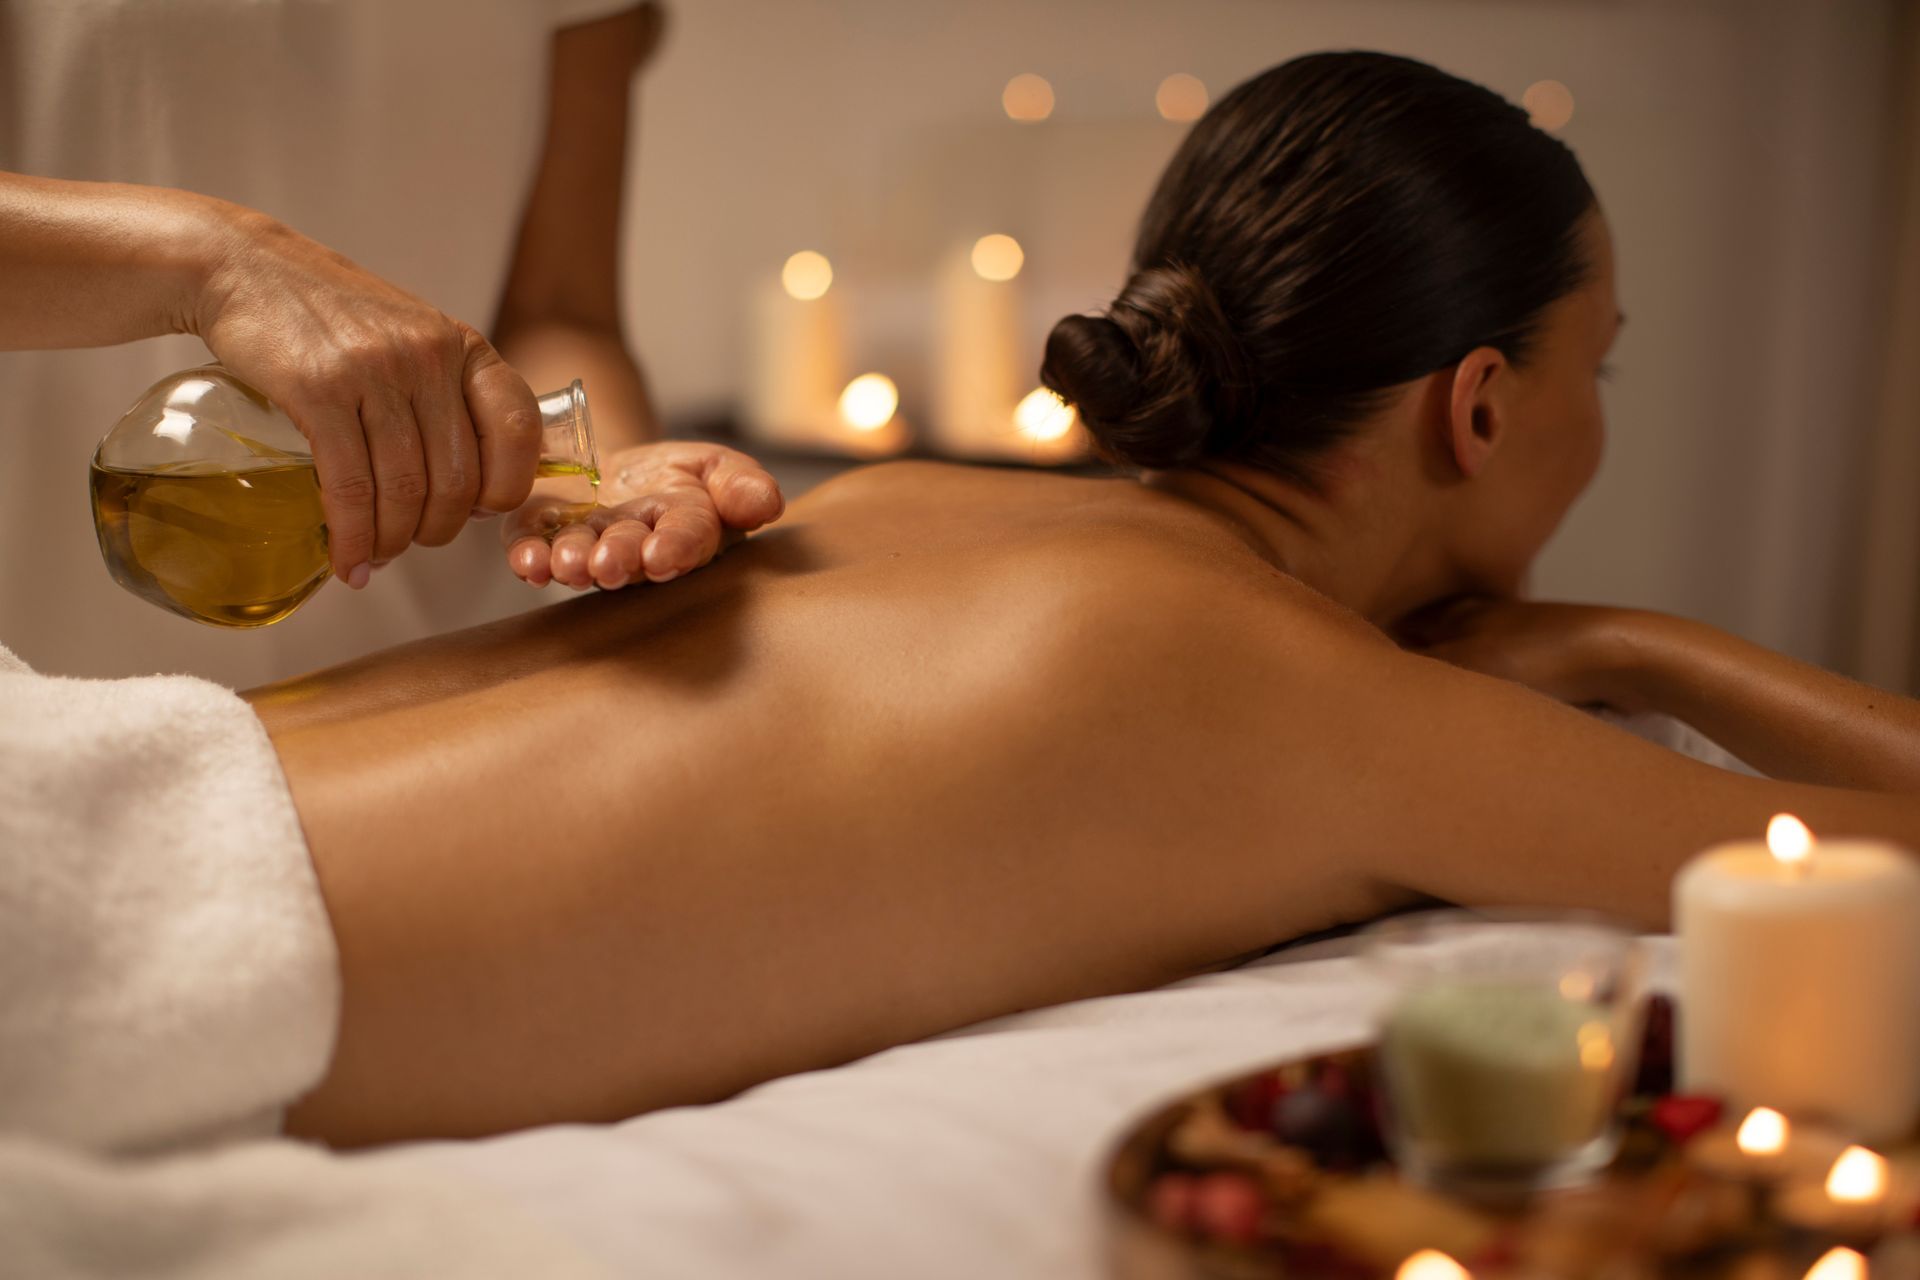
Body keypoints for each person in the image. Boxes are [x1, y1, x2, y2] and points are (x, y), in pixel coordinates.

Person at [227, 52, 1919, 1148]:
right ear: (1474, 407)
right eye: (1594, 363)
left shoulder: (911, 507)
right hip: (138, 954)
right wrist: (1642, 639)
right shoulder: (1302, 697)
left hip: (140, 780)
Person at [0, 0, 683, 686]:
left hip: (440, 697)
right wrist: (216, 263)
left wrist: (618, 478)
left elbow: (561, 310)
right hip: (53, 705)